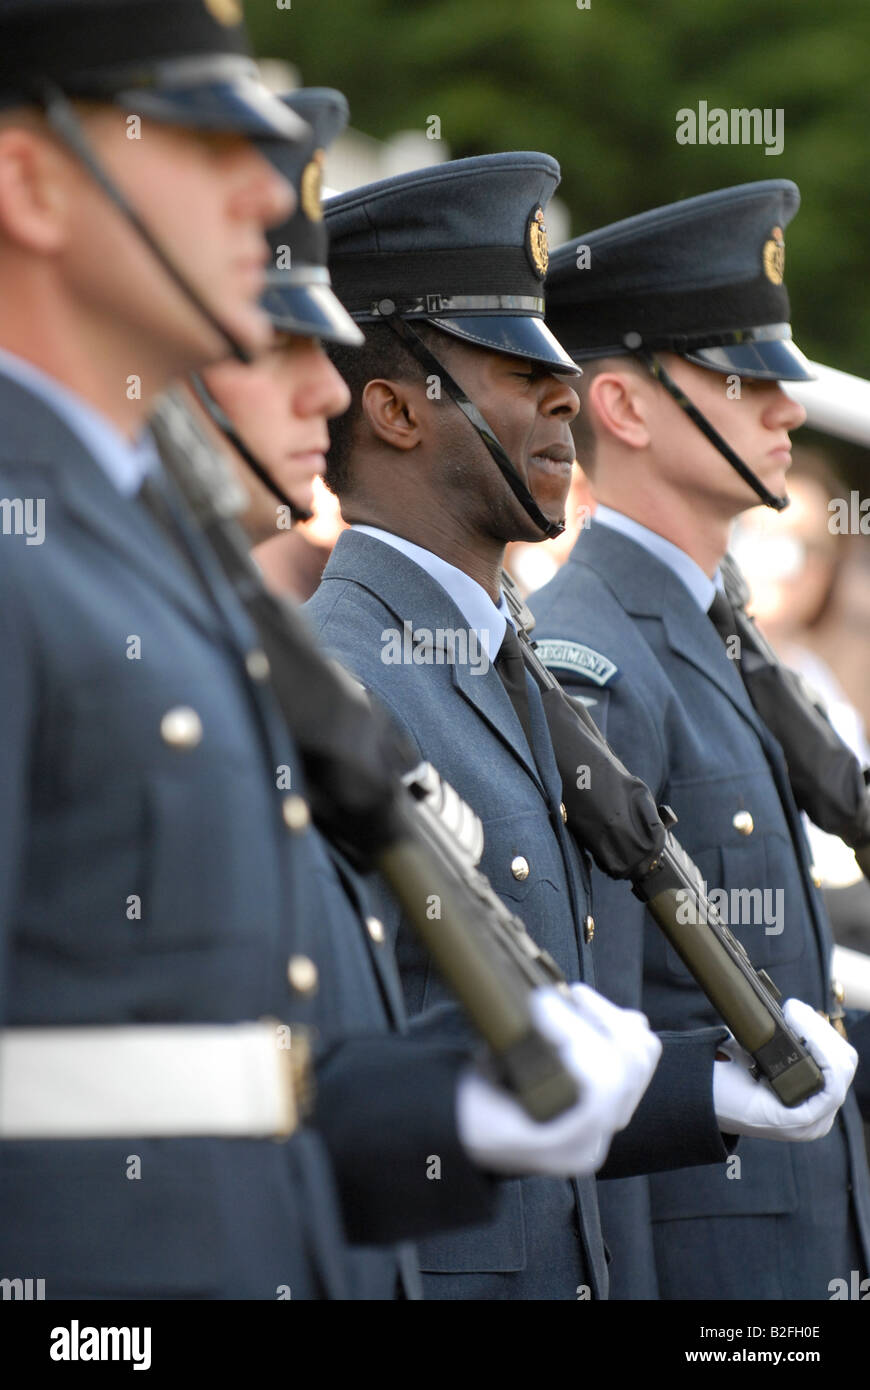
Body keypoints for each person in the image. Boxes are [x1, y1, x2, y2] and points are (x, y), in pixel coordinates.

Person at [0, 10, 622, 1304]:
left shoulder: (151, 564)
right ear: (30, 184)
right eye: (201, 138)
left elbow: (216, 1073)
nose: (259, 185)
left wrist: (446, 1100)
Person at [301, 154, 854, 1300]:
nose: (560, 394)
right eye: (515, 367)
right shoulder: (340, 679)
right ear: (396, 407)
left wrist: (697, 1090)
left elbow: (578, 1048)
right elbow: (332, 1088)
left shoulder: (506, 669)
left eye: (557, 363)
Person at [530, 179, 870, 1298]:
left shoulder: (713, 634)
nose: (785, 409)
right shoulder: (596, 657)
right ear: (623, 407)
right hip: (699, 1267)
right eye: (742, 378)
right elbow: (610, 1045)